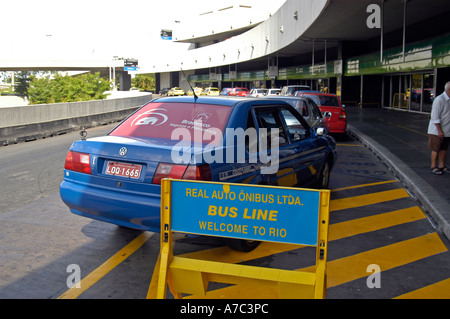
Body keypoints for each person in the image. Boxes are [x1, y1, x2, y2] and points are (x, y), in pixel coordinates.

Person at [428, 81, 450, 175]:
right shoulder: (439, 100)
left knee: (444, 149)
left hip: (447, 130)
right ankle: (433, 166)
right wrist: (439, 131)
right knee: (436, 149)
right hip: (436, 131)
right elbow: (435, 117)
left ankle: (442, 165)